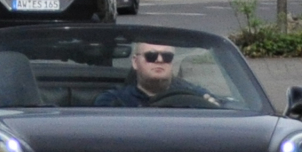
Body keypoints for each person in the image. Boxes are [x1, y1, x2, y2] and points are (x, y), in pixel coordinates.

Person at [94, 42, 222, 107]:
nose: (159, 60)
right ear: (135, 61)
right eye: (151, 55)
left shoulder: (196, 96)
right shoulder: (113, 101)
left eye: (167, 56)